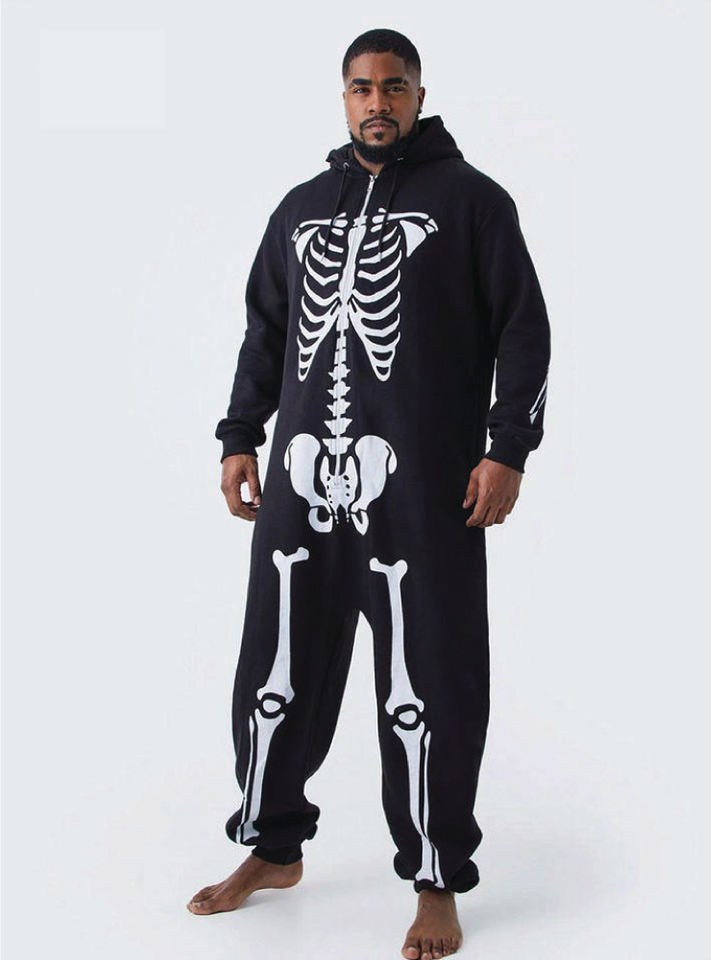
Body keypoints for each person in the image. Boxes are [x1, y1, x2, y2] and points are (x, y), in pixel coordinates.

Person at [188, 27, 551, 960]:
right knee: (275, 661)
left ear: (420, 94)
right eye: (361, 87)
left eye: (394, 86)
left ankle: (434, 876)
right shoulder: (301, 208)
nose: (377, 102)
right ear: (343, 96)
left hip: (421, 479)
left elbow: (524, 331)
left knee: (432, 673)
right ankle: (272, 846)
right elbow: (264, 330)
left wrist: (507, 449)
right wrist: (240, 435)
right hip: (301, 472)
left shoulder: (472, 203)